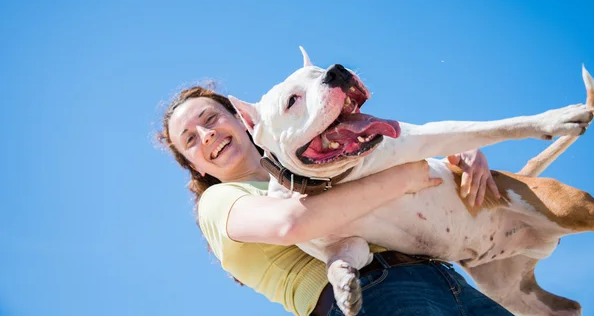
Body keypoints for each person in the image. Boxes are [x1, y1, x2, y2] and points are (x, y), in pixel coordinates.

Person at [158, 85, 514, 316]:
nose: (206, 136)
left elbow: (388, 146)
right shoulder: (219, 201)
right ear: (193, 165)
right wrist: (405, 178)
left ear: (241, 118)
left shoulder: (315, 166)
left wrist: (456, 150)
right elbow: (291, 223)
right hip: (373, 294)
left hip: (445, 277)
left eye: (211, 119)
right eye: (190, 139)